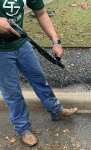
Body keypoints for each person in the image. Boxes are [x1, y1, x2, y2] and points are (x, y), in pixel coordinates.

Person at [0, 0, 78, 147]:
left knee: (39, 79)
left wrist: (56, 41)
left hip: (21, 44)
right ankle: (24, 129)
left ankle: (56, 110)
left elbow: (41, 13)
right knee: (12, 93)